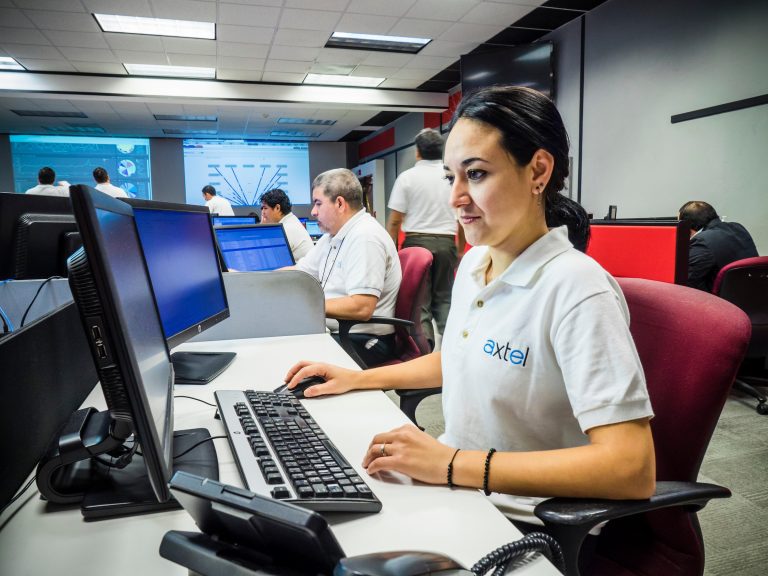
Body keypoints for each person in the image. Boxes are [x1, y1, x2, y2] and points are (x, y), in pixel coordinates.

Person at [284, 86, 655, 530]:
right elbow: (460, 358)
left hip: (527, 519)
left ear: (538, 171)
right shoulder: (477, 263)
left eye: (476, 174)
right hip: (461, 487)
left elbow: (631, 468)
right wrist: (357, 378)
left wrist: (452, 463)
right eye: (451, 177)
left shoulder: (576, 287)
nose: (455, 197)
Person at [293, 168, 401, 367]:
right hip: (340, 332)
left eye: (318, 203)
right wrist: (249, 277)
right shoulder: (333, 236)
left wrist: (304, 306)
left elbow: (362, 307)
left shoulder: (365, 237)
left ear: (340, 203)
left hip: (364, 340)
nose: (313, 212)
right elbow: (299, 273)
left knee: (290, 354)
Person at [386, 128, 466, 349]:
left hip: (416, 245)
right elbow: (461, 218)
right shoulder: (451, 177)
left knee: (420, 303)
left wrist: (392, 252)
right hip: (447, 243)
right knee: (445, 299)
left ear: (417, 152)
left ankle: (424, 351)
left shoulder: (407, 178)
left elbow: (395, 221)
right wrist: (459, 249)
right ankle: (453, 349)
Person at [678, 201, 758, 292]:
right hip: (753, 293)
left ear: (687, 227)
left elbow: (686, 281)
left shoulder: (702, 241)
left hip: (723, 298)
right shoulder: (738, 227)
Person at [259, 188, 313, 261]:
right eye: (262, 209)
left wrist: (261, 228)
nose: (262, 213)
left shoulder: (286, 228)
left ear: (277, 208)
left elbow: (267, 255)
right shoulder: (291, 221)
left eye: (265, 208)